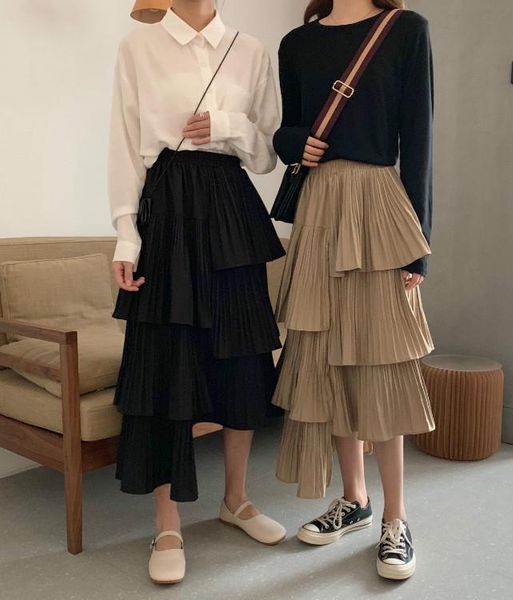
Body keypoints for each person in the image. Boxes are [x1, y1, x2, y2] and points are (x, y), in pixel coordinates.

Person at [108, 0, 286, 584]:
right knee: (168, 363)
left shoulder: (251, 50)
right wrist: (126, 236)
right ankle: (167, 522)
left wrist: (229, 126)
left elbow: (267, 154)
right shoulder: (140, 47)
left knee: (242, 357)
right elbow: (124, 144)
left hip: (232, 207)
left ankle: (236, 500)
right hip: (167, 210)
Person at [271, 0, 436, 581]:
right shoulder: (297, 43)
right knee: (327, 358)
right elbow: (287, 131)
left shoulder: (406, 30)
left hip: (378, 209)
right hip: (318, 209)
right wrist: (296, 142)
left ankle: (396, 517)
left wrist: (418, 242)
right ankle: (355, 499)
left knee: (381, 359)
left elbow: (419, 137)